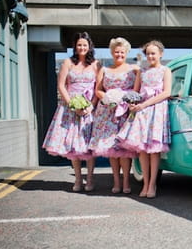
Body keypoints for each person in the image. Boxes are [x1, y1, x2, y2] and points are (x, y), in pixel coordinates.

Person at [42, 32, 100, 192]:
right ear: (75, 47)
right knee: (73, 146)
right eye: (79, 45)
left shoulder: (96, 64)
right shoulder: (67, 63)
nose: (82, 48)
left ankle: (90, 178)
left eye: (85, 45)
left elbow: (98, 88)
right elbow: (61, 85)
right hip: (70, 108)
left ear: (89, 47)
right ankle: (78, 179)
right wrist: (72, 105)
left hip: (89, 108)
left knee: (89, 146)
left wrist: (91, 106)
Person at [116, 40, 172, 198]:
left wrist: (144, 104)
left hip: (157, 110)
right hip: (141, 111)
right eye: (148, 53)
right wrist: (133, 104)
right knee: (142, 149)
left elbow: (166, 92)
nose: (150, 56)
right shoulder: (142, 71)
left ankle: (153, 184)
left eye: (153, 53)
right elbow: (135, 92)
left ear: (160, 54)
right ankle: (145, 183)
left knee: (154, 151)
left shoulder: (165, 70)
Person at [88, 37, 139, 194]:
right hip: (107, 113)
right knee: (112, 150)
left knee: (124, 150)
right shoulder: (104, 70)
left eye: (122, 52)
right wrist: (108, 97)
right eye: (116, 51)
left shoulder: (134, 69)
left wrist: (126, 99)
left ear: (126, 52)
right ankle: (116, 182)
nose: (119, 54)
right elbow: (98, 89)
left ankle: (126, 183)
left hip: (125, 112)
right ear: (112, 52)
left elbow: (137, 90)